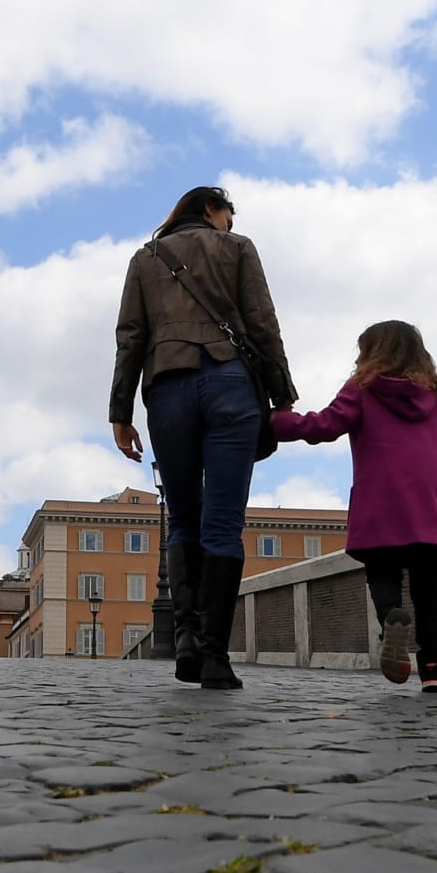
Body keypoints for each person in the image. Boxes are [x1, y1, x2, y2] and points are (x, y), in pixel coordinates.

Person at [110, 186, 296, 689]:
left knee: (183, 519)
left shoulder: (145, 258)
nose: (229, 225)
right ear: (212, 211)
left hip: (167, 388)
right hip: (230, 384)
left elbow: (130, 335)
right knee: (223, 522)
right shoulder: (237, 249)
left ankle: (187, 638)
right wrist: (283, 396)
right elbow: (262, 321)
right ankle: (215, 656)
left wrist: (120, 412)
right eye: (227, 216)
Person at [270, 320, 437, 693]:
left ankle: (391, 620)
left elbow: (325, 425)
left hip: (379, 508)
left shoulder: (362, 391)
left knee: (383, 576)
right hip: (430, 512)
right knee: (429, 593)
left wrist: (278, 423)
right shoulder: (432, 401)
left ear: (370, 353)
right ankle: (433, 670)